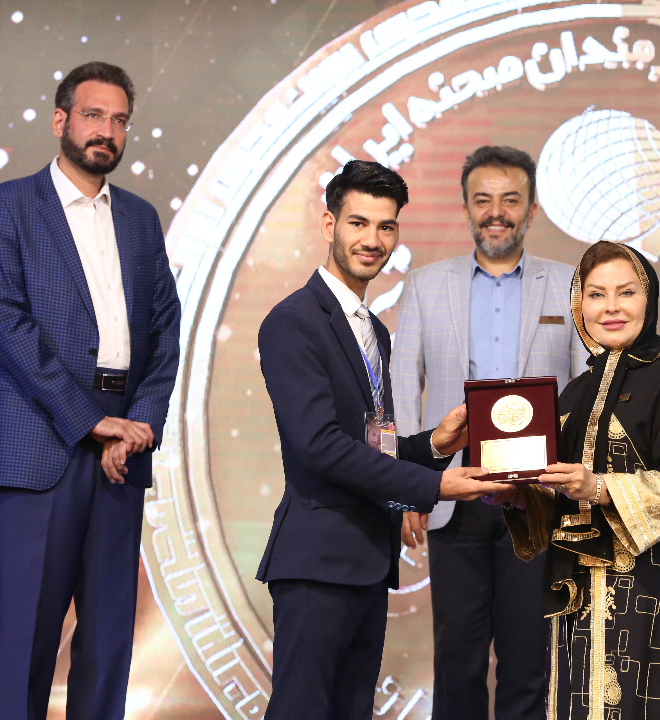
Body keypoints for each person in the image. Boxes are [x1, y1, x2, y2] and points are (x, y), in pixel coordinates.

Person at [255, 159, 507, 720]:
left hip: (366, 558)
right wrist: (435, 486)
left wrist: (435, 445)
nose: (372, 240)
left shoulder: (372, 330)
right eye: (358, 223)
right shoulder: (293, 321)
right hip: (317, 560)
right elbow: (320, 446)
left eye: (385, 226)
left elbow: (373, 447)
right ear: (329, 224)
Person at [0, 62, 182, 720]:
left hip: (123, 448)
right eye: (94, 116)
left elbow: (165, 329)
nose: (107, 132)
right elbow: (8, 325)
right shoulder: (7, 206)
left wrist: (138, 424)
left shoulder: (141, 219)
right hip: (44, 437)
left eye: (119, 120)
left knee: (110, 640)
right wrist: (91, 421)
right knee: (28, 642)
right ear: (60, 120)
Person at [392, 145, 588, 720]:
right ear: (465, 208)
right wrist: (408, 485)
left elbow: (586, 390)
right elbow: (401, 390)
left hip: (540, 494)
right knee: (458, 659)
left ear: (532, 210)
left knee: (529, 661)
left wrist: (578, 482)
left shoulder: (570, 285)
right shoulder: (426, 285)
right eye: (483, 200)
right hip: (454, 491)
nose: (496, 212)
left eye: (510, 200)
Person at [484, 240, 660, 720]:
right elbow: (560, 498)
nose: (611, 308)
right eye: (596, 294)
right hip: (579, 594)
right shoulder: (572, 393)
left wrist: (599, 487)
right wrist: (519, 497)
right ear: (579, 305)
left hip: (655, 588)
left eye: (626, 292)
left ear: (649, 300)